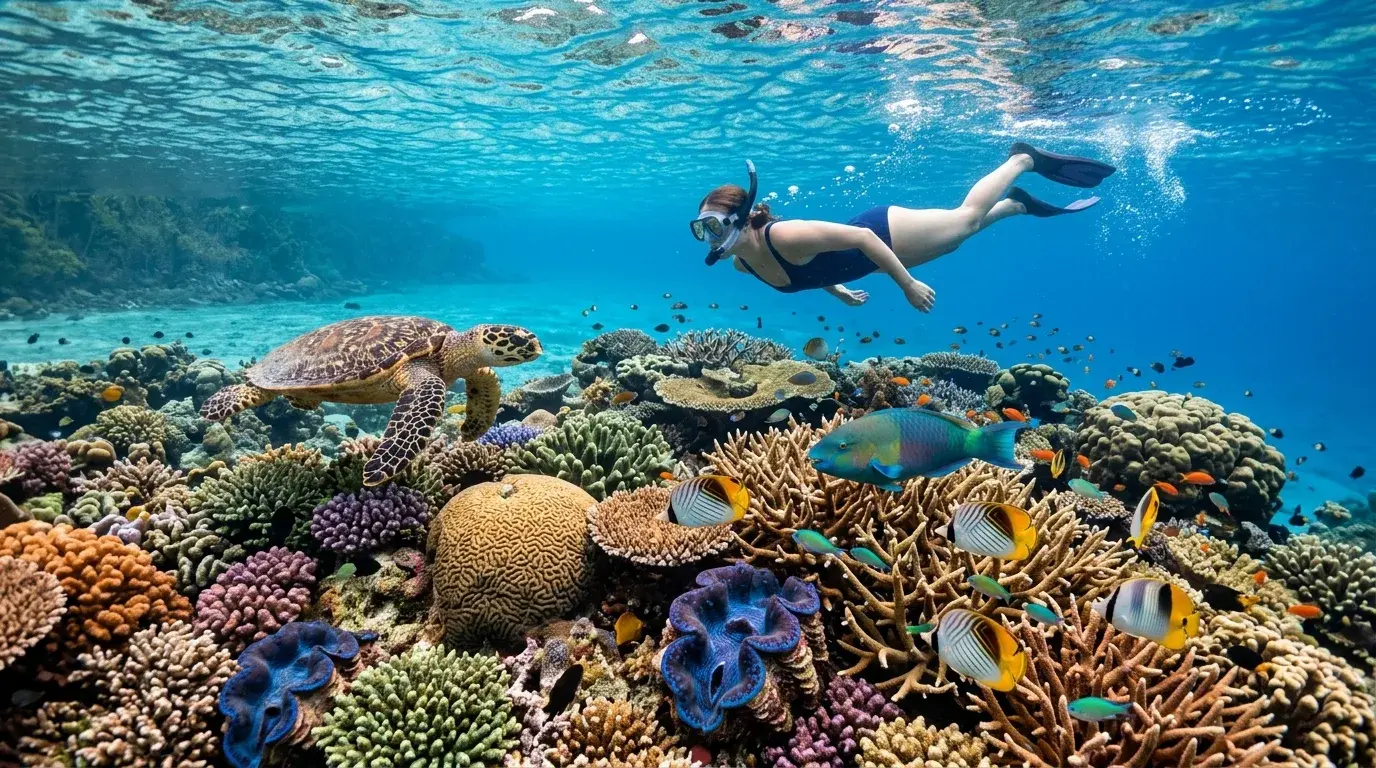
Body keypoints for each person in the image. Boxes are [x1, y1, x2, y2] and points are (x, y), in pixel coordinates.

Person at [690, 144, 1115, 312]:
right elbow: (809, 268)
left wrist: (908, 285)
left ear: (740, 220)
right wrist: (839, 291)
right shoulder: (744, 264)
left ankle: (1022, 160)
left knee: (965, 220)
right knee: (953, 243)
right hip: (869, 262)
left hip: (881, 232)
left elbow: (861, 238)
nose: (709, 239)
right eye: (701, 230)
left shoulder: (785, 235)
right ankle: (1015, 206)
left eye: (712, 226)